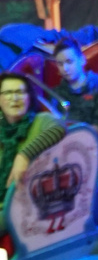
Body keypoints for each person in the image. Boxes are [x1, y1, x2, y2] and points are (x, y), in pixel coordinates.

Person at [0, 72, 64, 235]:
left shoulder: (41, 120)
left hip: (24, 207)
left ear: (29, 97)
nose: (14, 98)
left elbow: (60, 129)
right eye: (8, 93)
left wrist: (24, 155)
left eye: (20, 92)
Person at [53, 39, 98, 147]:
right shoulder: (56, 93)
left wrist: (75, 140)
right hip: (62, 145)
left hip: (92, 145)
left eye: (69, 62)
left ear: (82, 60)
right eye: (60, 64)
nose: (65, 68)